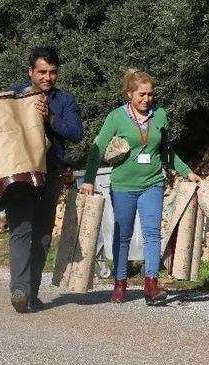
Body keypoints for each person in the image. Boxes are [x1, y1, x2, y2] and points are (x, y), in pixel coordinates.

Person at [0, 47, 84, 313]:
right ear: (31, 72)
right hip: (18, 173)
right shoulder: (11, 97)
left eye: (52, 72)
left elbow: (76, 134)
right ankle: (19, 290)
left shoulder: (65, 101)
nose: (47, 77)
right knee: (21, 230)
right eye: (42, 72)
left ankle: (32, 292)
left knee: (42, 236)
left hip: (50, 173)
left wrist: (49, 117)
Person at [81, 70, 201, 305]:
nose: (147, 99)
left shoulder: (160, 116)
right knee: (122, 234)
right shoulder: (116, 117)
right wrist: (88, 178)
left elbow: (167, 151)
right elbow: (98, 148)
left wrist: (188, 172)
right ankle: (120, 283)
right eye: (141, 95)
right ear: (129, 94)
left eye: (150, 95)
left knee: (152, 233)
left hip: (153, 182)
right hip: (123, 185)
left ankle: (151, 285)